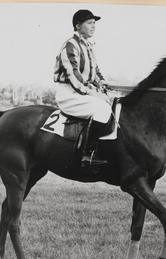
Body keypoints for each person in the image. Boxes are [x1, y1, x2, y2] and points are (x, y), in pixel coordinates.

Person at [54, 9, 111, 166]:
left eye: (94, 23)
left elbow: (95, 71)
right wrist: (96, 94)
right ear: (78, 26)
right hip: (70, 94)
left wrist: (103, 82)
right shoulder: (70, 46)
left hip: (82, 93)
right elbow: (74, 76)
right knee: (103, 109)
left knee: (112, 104)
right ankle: (88, 154)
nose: (93, 27)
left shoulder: (88, 46)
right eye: (89, 23)